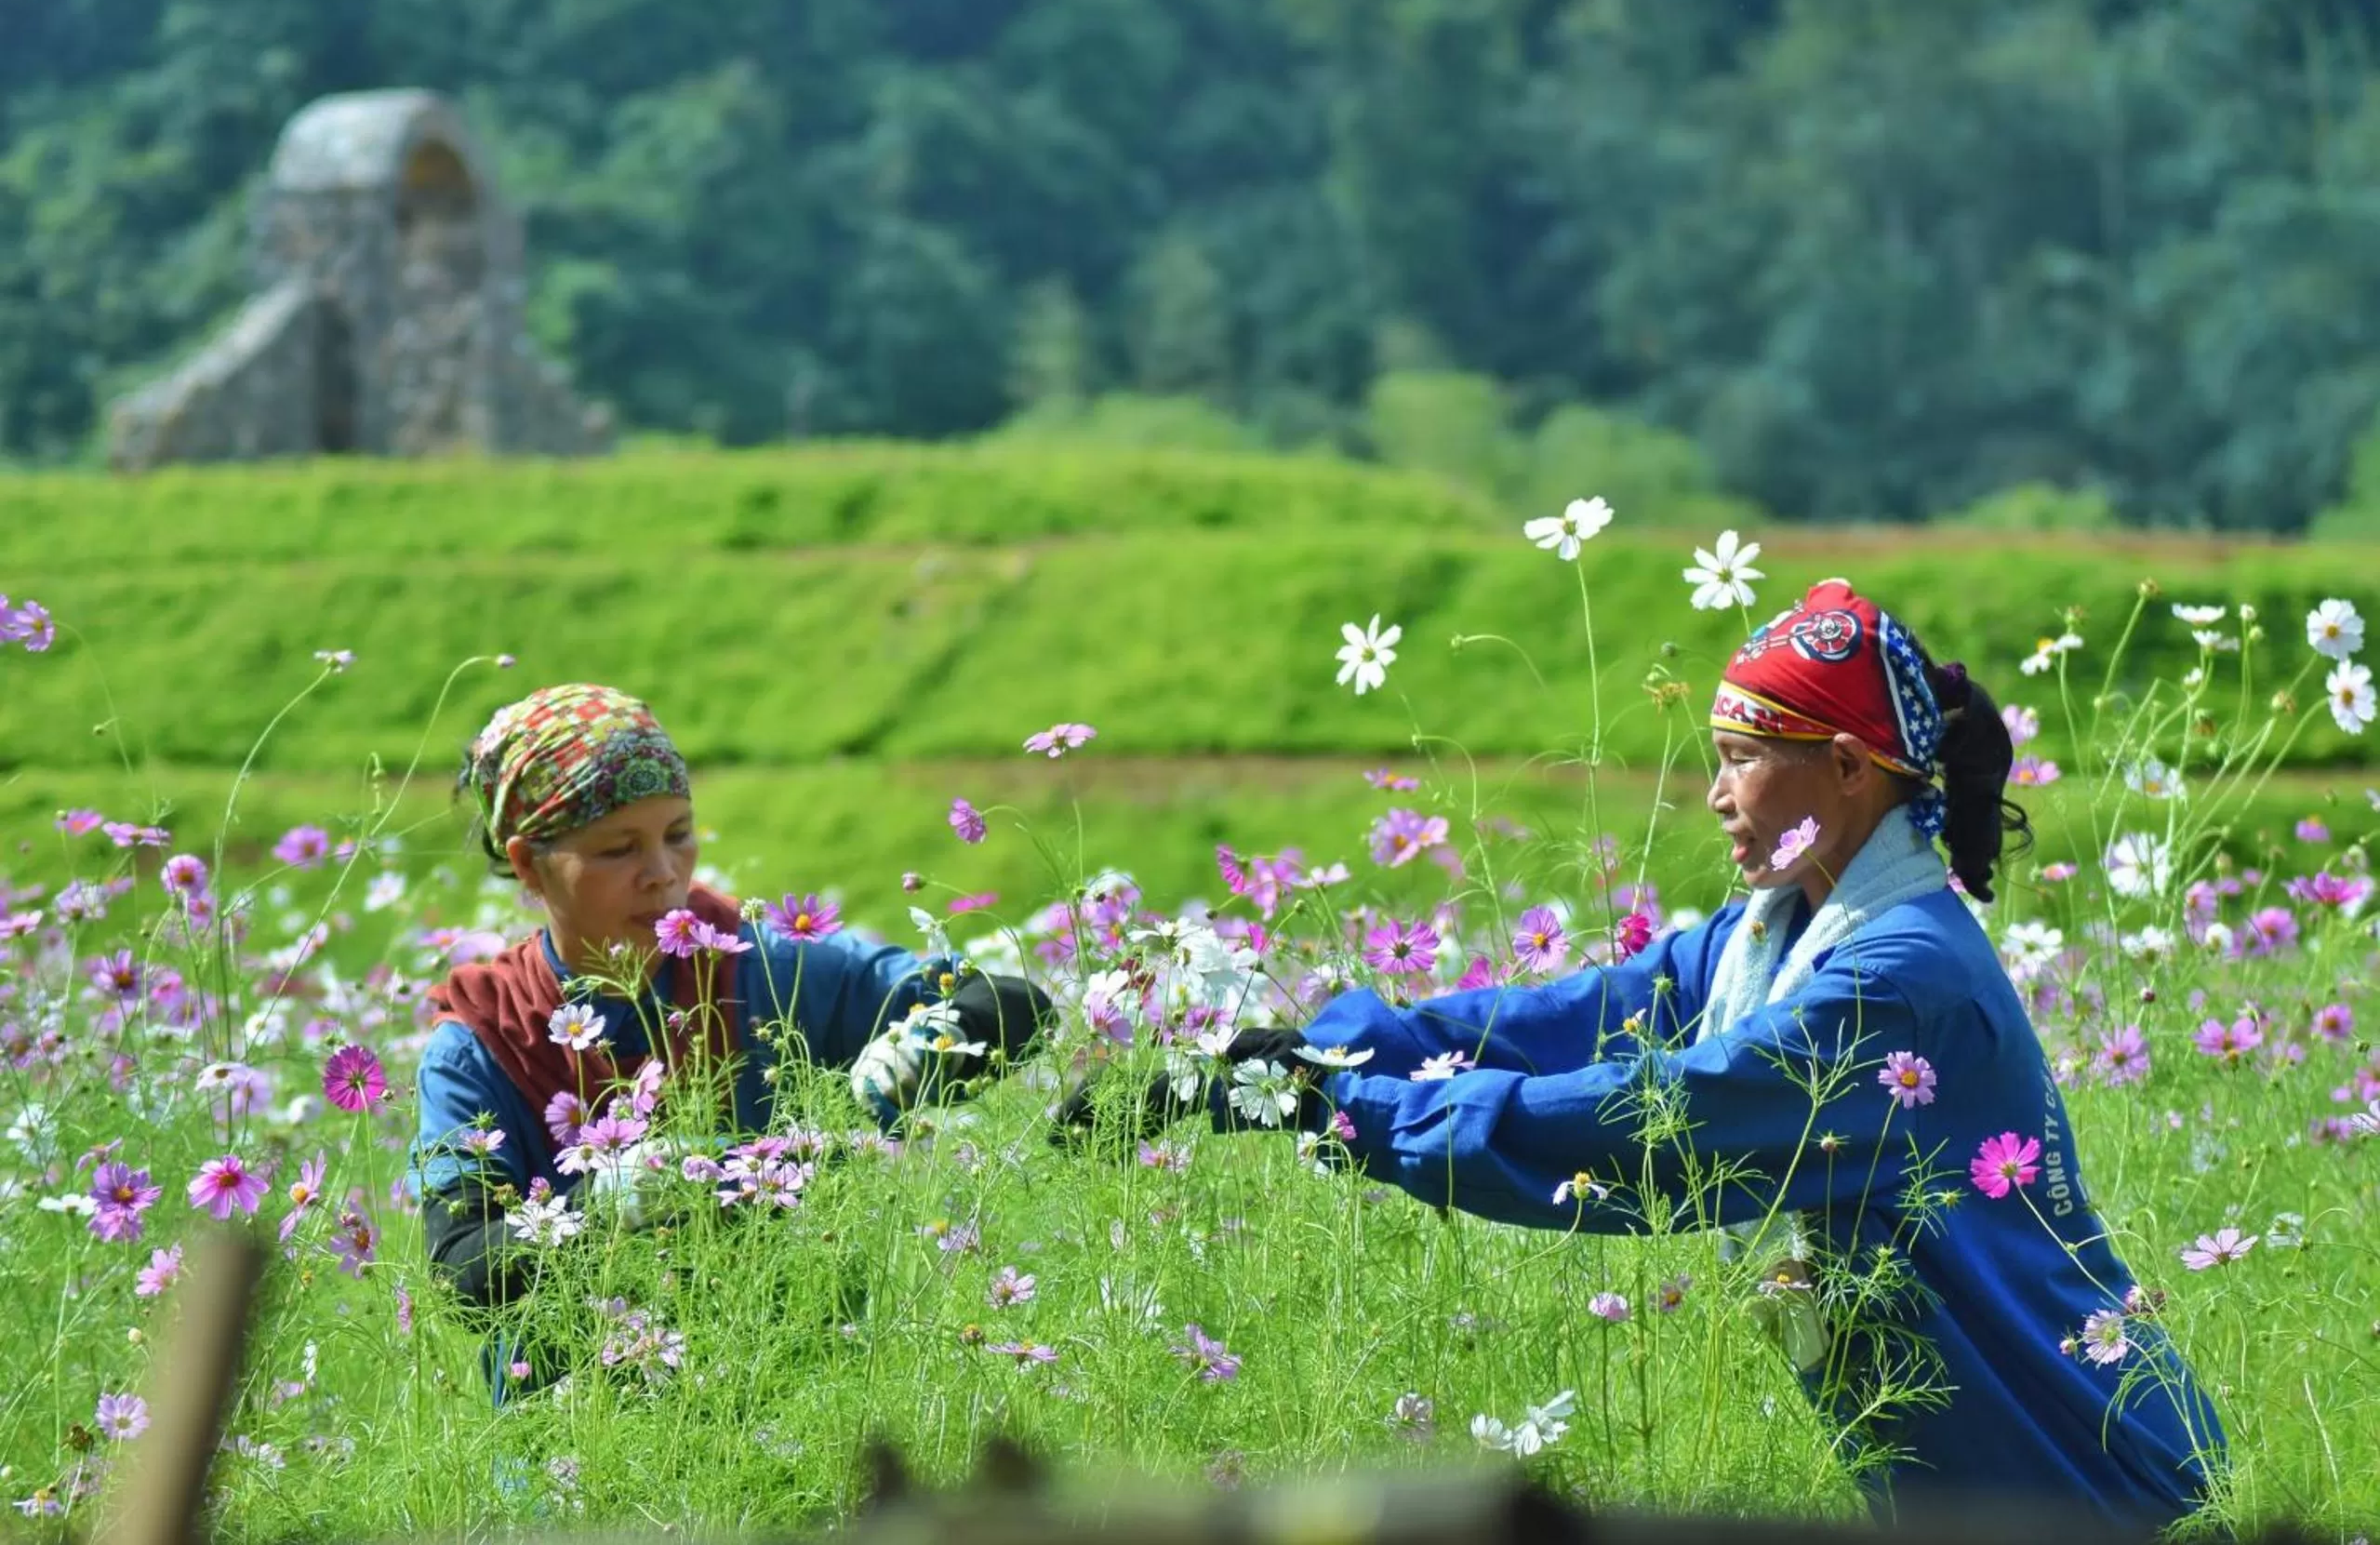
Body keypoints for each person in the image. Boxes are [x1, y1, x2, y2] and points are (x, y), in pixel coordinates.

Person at [1081, 579, 2225, 1528]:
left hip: (2095, 1484)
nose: (1719, 796)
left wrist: (1357, 1113)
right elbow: (1583, 1013)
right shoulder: (1769, 936)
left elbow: (1663, 1115)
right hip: (1973, 1492)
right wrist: (1328, 1051)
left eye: (1742, 756)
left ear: (1846, 767)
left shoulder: (1901, 979)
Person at [410, 684, 1052, 1371]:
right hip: (577, 1440)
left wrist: (928, 1045)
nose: (662, 876)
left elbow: (1016, 1006)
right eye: (618, 849)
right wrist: (604, 1207)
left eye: (678, 835)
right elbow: (460, 1272)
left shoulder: (759, 971)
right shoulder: (482, 1043)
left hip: (804, 1402)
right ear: (528, 863)